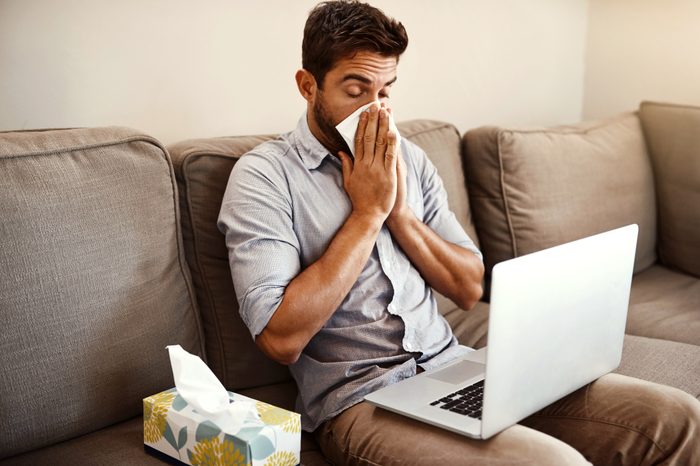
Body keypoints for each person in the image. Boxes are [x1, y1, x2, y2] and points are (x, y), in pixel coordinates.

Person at [218, 1, 700, 464]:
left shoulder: (409, 158)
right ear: (307, 85)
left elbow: (469, 287)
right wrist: (367, 214)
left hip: (456, 367)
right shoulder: (264, 177)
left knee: (676, 418)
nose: (375, 111)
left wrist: (400, 215)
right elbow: (281, 339)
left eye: (385, 91)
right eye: (355, 89)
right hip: (361, 403)